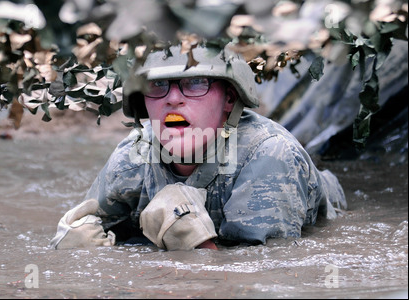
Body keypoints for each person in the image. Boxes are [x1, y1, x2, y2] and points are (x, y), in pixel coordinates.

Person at [50, 44, 347, 250]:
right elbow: (88, 228)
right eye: (157, 86)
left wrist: (199, 247)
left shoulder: (269, 156)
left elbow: (266, 273)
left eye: (195, 83)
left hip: (327, 202)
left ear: (229, 99)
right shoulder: (132, 158)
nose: (173, 99)